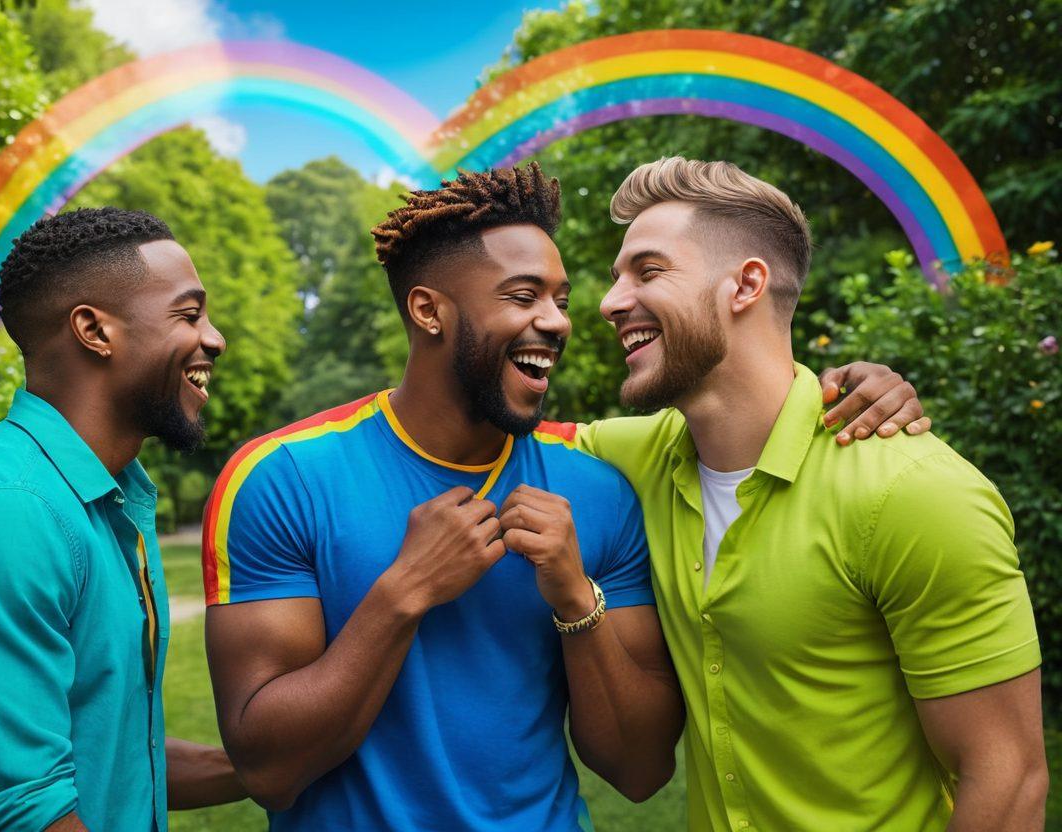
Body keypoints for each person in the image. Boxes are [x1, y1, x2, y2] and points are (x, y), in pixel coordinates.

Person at [201, 164, 925, 831]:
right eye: (523, 296)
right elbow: (269, 769)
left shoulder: (597, 486)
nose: (560, 321)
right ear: (429, 312)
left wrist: (577, 599)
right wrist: (404, 592)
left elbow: (640, 770)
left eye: (561, 298)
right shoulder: (283, 479)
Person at [570, 157, 1046, 831]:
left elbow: (1009, 777)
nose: (610, 302)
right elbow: (460, 440)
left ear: (746, 285)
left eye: (647, 272)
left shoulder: (914, 491)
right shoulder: (620, 461)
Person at [0, 208, 247, 831]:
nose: (214, 338)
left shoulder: (107, 498)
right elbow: (21, 814)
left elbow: (121, 755)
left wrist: (283, 762)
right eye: (189, 315)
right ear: (94, 330)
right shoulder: (1, 512)